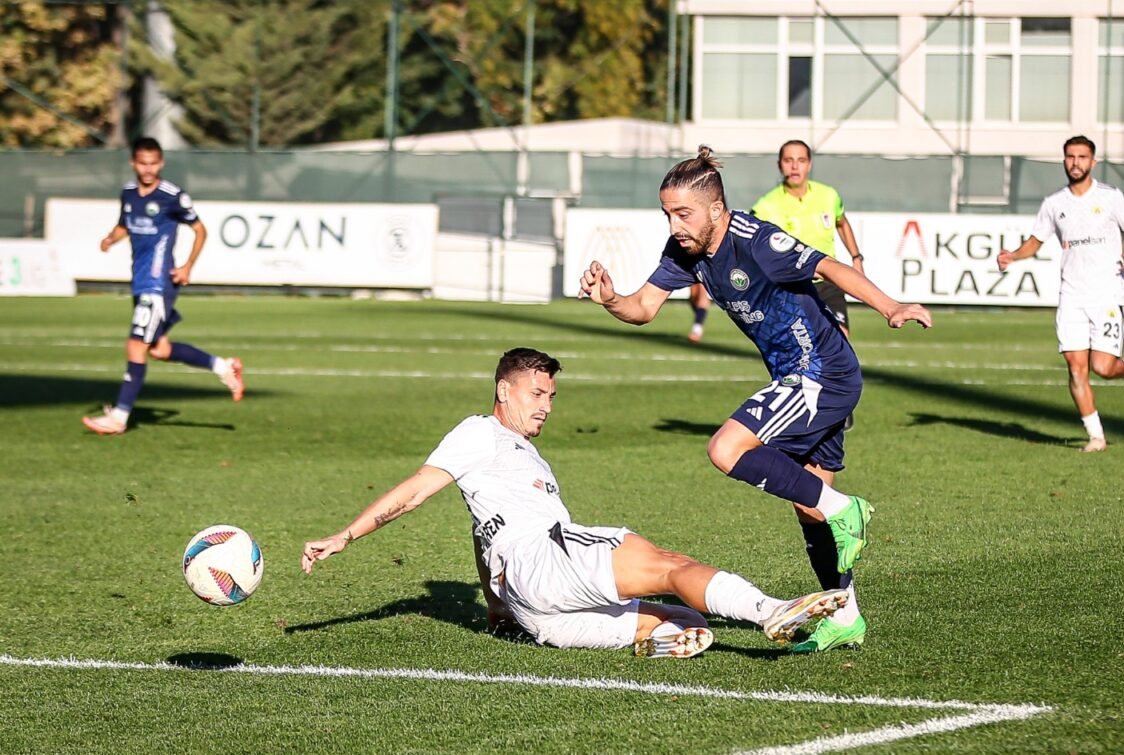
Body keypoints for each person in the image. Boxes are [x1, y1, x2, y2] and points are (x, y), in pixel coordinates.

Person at [578, 146, 932, 653]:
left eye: (684, 214)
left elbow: (829, 266)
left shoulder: (756, 240)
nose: (675, 225)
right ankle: (846, 615)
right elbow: (643, 307)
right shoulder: (684, 250)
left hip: (820, 372)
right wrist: (611, 298)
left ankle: (848, 509)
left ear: (716, 209)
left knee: (726, 449)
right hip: (802, 374)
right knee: (809, 506)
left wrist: (890, 305)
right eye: (668, 214)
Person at [300, 348, 847, 658]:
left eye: (551, 397)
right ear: (504, 391)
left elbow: (483, 531)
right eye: (536, 394)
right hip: (543, 560)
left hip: (535, 610)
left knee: (683, 618)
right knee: (667, 564)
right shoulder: (480, 432)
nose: (546, 406)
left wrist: (497, 607)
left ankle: (657, 639)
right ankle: (770, 610)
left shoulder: (520, 458)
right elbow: (416, 490)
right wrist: (346, 535)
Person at [82, 136, 243, 436]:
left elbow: (200, 230)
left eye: (154, 163)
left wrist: (187, 266)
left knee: (135, 346)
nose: (148, 169)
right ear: (133, 163)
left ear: (161, 163)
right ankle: (224, 367)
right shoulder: (128, 194)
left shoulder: (172, 196)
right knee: (159, 348)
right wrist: (110, 239)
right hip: (140, 282)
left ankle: (119, 417)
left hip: (158, 284)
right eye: (143, 163)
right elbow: (125, 225)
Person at [997, 135, 1124, 453]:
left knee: (1102, 367)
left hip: (1107, 293)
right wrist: (1013, 255)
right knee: (1076, 368)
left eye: (1082, 157)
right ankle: (1096, 436)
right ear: (1064, 160)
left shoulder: (1110, 197)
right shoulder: (1054, 204)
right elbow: (1035, 241)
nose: (1075, 162)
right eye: (1070, 156)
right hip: (1071, 296)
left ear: (1093, 162)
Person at [751, 140, 865, 338]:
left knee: (840, 338)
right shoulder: (764, 207)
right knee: (801, 347)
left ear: (809, 164)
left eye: (801, 160)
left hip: (828, 280)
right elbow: (750, 247)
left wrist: (856, 258)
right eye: (788, 160)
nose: (795, 166)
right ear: (779, 165)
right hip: (790, 288)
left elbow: (842, 223)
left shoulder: (829, 196)